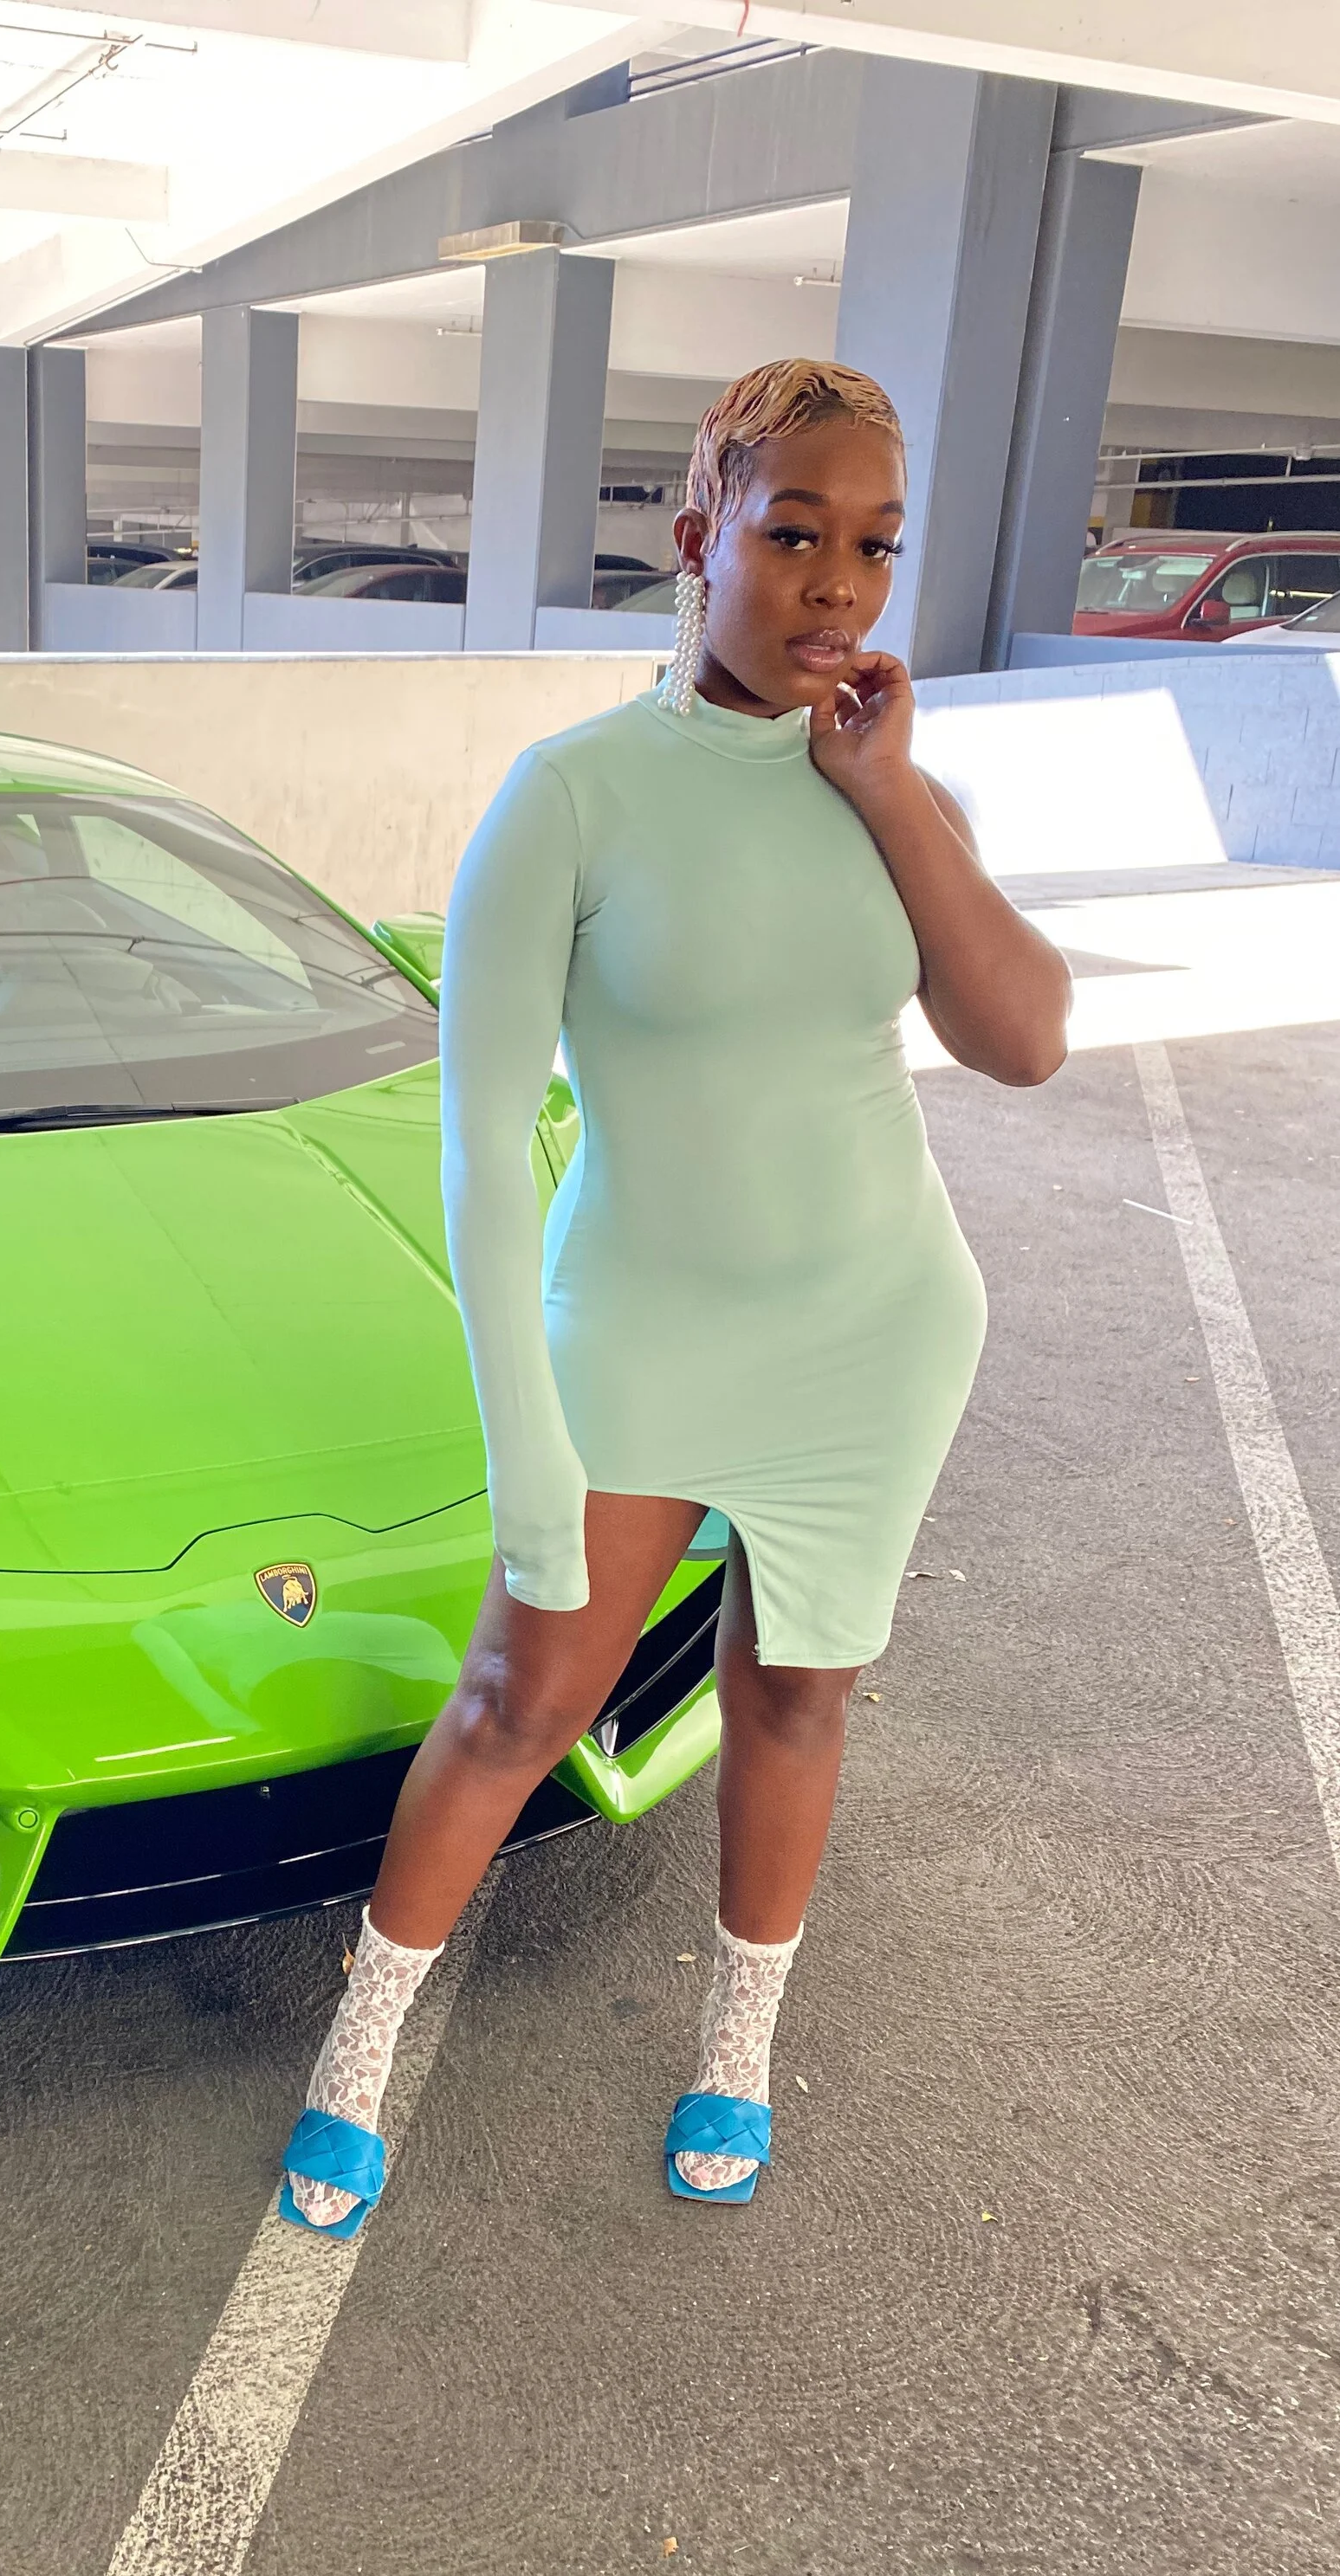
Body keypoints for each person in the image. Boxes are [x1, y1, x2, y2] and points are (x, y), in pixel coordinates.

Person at [278, 358, 1071, 2237]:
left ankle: (733, 2047)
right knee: (515, 1693)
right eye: (791, 533)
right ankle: (355, 2057)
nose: (832, 584)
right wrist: (526, 1452)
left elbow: (1021, 1038)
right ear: (698, 533)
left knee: (797, 1693)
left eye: (871, 546)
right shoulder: (568, 798)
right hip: (633, 1323)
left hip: (872, 1326)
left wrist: (885, 797)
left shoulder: (895, 783)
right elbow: (475, 1157)